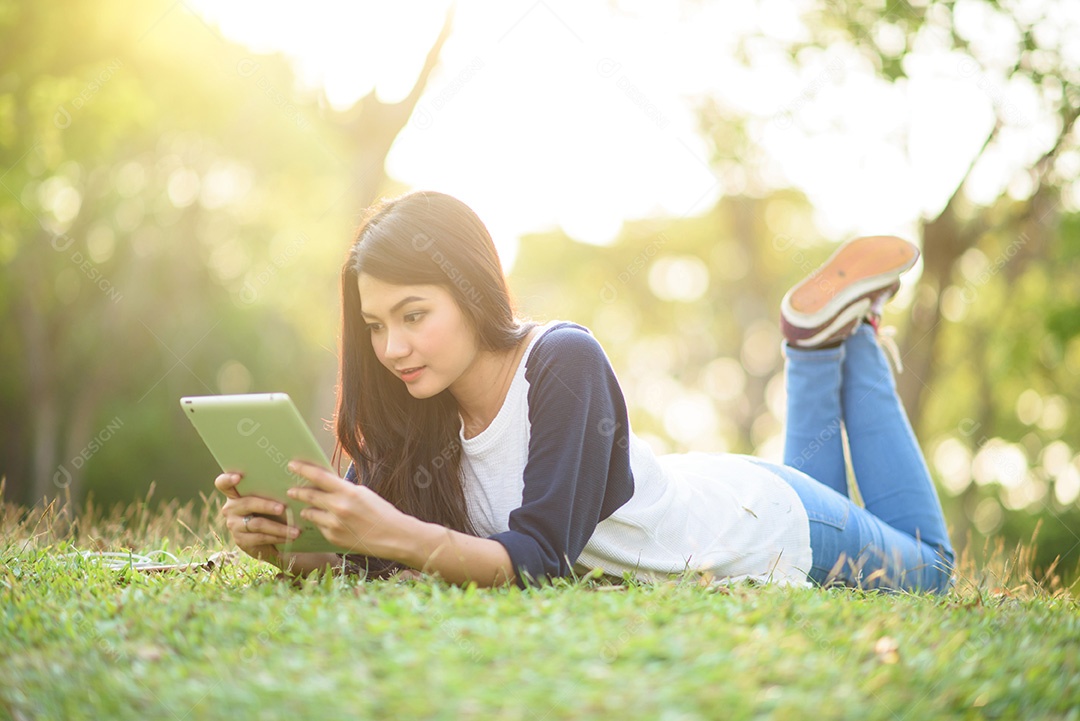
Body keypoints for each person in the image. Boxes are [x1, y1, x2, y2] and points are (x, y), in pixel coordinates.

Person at [215, 190, 955, 593]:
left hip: (759, 525)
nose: (392, 348)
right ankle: (825, 339)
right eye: (376, 325)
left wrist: (393, 532)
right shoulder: (417, 410)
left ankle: (832, 339)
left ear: (472, 292)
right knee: (838, 504)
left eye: (414, 316)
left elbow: (538, 558)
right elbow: (386, 558)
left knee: (930, 565)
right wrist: (292, 549)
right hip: (723, 490)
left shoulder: (562, 361)